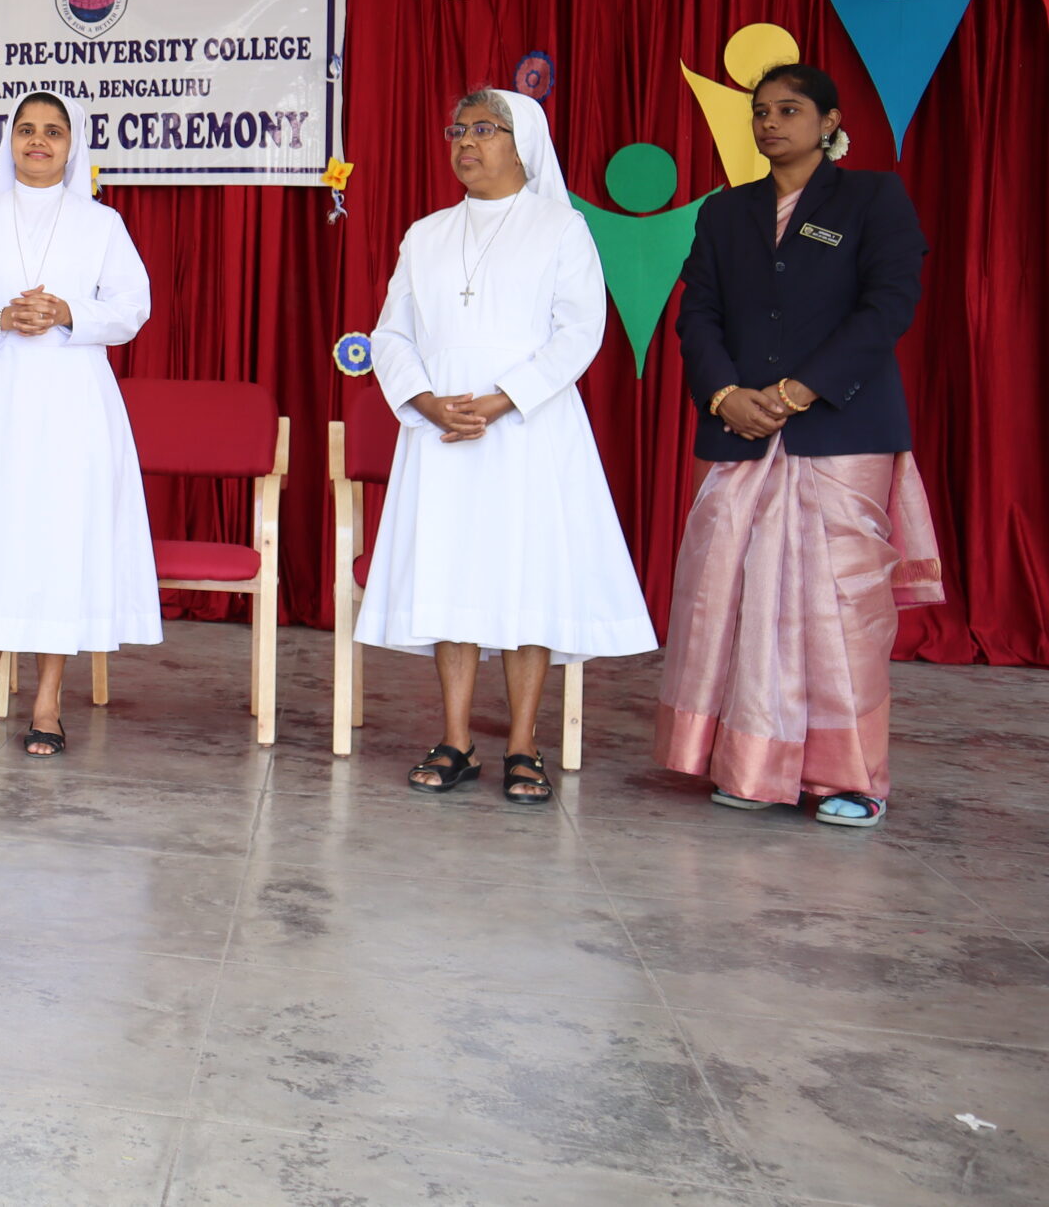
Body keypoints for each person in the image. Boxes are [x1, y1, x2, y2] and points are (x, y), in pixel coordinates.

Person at [655, 63, 938, 826]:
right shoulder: (726, 210)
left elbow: (889, 304)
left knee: (837, 607)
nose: (770, 123)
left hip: (840, 427)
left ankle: (850, 778)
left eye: (789, 109)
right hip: (740, 429)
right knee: (736, 594)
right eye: (761, 111)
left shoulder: (873, 197)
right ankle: (749, 764)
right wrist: (726, 395)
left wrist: (799, 391)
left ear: (829, 121)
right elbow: (698, 314)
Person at [359, 88, 657, 803]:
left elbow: (580, 331)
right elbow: (391, 334)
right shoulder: (425, 233)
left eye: (484, 129)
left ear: (523, 142)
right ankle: (456, 738)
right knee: (451, 576)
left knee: (529, 578)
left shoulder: (561, 227)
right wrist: (426, 400)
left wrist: (503, 398)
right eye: (457, 129)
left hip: (529, 426)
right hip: (443, 429)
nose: (465, 141)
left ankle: (523, 744)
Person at [0, 92, 158, 757]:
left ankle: (47, 702)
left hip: (73, 399)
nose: (38, 140)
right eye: (26, 129)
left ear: (73, 146)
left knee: (58, 539)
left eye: (52, 131)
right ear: (9, 140)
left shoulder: (101, 223)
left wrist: (69, 312)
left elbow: (132, 308)